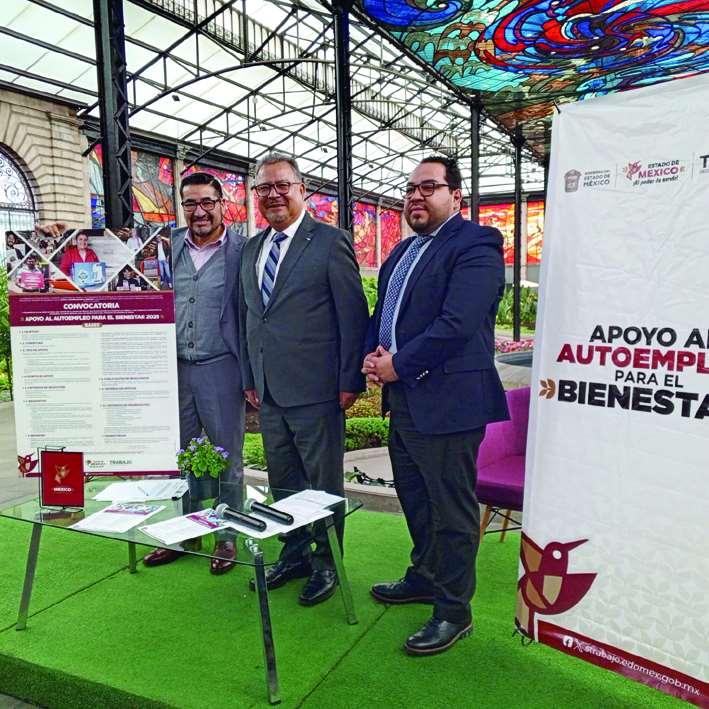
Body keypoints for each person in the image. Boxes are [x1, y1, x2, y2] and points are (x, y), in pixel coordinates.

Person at [363, 156, 509, 656]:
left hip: (449, 403)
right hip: (404, 400)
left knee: (451, 509)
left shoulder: (477, 244)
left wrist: (398, 364)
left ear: (456, 196)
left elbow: (457, 323)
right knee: (416, 497)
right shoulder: (403, 250)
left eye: (429, 187)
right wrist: (372, 356)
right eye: (410, 189)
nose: (416, 197)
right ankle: (425, 576)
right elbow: (385, 314)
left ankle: (453, 610)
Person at [239, 152, 369, 606]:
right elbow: (249, 318)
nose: (273, 195)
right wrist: (249, 377)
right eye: (264, 188)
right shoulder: (252, 248)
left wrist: (350, 380)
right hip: (269, 390)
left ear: (302, 190)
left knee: (323, 485)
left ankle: (327, 563)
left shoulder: (330, 242)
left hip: (318, 391)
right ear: (256, 195)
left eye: (282, 186)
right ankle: (293, 553)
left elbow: (353, 315)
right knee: (284, 481)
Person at [141, 171, 247, 575]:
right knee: (180, 455)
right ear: (182, 206)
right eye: (190, 203)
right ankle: (186, 533)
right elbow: (114, 253)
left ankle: (226, 535)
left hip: (222, 367)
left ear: (222, 205)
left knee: (226, 455)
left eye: (207, 202)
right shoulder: (163, 245)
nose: (199, 211)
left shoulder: (243, 250)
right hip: (173, 369)